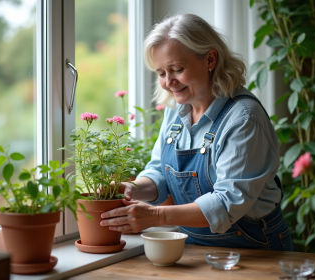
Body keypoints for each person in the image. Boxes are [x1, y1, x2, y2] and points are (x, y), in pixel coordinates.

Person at [100, 14, 293, 251]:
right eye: (161, 73)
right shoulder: (176, 111)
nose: (169, 82)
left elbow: (226, 203)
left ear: (210, 59)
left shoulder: (244, 119)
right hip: (194, 247)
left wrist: (155, 216)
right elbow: (160, 170)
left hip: (253, 248)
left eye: (177, 69)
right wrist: (134, 189)